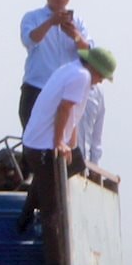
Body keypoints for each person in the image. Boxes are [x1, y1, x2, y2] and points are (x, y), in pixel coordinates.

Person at [19, 46, 117, 234]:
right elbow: (64, 109)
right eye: (102, 76)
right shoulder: (82, 76)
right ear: (94, 69)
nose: (101, 81)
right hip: (43, 145)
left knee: (74, 165)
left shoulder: (70, 69)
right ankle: (55, 261)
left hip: (36, 142)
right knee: (53, 205)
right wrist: (58, 143)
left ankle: (25, 217)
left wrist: (71, 146)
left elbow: (72, 115)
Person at [17, 0, 92, 131]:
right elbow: (30, 39)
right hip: (37, 87)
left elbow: (90, 54)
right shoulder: (33, 17)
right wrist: (51, 22)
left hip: (66, 91)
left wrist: (75, 35)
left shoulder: (78, 22)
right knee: (34, 143)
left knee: (65, 144)